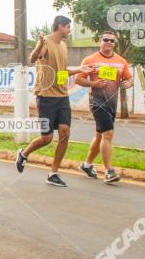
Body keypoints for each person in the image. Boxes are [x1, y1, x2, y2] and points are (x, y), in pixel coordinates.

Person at [14, 15, 93, 186]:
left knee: (65, 133)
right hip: (46, 96)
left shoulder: (64, 46)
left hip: (62, 96)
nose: (70, 30)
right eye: (68, 27)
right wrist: (40, 44)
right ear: (60, 26)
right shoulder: (45, 42)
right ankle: (24, 154)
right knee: (47, 138)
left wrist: (79, 69)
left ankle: (53, 173)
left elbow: (61, 73)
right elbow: (33, 59)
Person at [74, 30, 133, 184]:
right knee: (108, 134)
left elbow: (129, 78)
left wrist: (128, 83)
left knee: (100, 135)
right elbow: (78, 80)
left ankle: (87, 165)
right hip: (97, 102)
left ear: (114, 43)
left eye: (112, 41)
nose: (109, 43)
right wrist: (93, 83)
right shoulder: (90, 60)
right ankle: (109, 171)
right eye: (106, 40)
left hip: (112, 104)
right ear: (100, 41)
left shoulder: (121, 61)